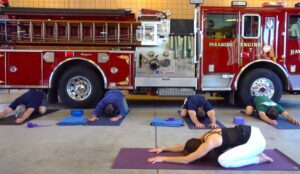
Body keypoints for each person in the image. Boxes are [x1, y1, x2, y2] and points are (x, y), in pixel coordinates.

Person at [147, 125, 273, 168]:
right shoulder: (206, 135)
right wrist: (163, 149)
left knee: (223, 161)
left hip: (256, 142)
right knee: (224, 151)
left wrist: (163, 158)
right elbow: (183, 146)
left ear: (199, 149)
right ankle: (254, 153)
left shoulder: (210, 142)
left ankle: (259, 158)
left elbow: (187, 160)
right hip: (253, 130)